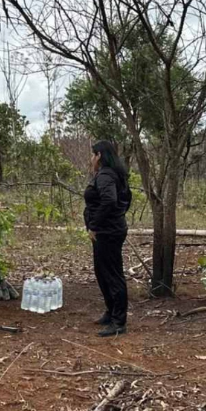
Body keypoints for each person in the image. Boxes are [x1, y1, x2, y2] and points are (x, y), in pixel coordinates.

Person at [84, 141, 131, 338]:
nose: (91, 159)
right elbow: (126, 199)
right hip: (110, 230)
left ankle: (119, 321)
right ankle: (111, 312)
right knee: (103, 273)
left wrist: (94, 225)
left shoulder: (105, 175)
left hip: (107, 233)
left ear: (100, 155)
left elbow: (110, 201)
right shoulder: (114, 174)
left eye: (93, 154)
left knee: (112, 274)